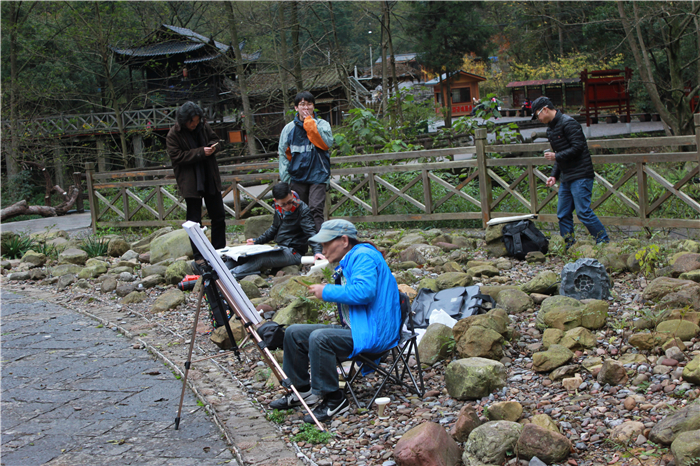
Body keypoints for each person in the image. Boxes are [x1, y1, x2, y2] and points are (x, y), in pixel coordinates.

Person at [269, 219, 401, 424]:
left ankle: (334, 399)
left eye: (326, 244)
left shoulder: (363, 256)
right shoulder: (351, 258)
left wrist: (327, 291)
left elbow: (365, 292)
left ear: (344, 240)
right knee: (294, 332)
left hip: (374, 332)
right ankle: (301, 390)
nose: (322, 249)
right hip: (359, 327)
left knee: (320, 337)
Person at [533, 96, 610, 246]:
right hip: (566, 176)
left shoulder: (569, 123)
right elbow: (559, 156)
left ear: (545, 110)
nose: (538, 119)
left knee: (583, 212)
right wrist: (554, 175)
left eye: (537, 115)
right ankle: (568, 244)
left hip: (581, 174)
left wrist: (556, 156)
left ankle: (603, 241)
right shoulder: (551, 129)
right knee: (563, 213)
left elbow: (578, 147)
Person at [166, 101, 226, 271]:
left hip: (209, 175)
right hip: (191, 181)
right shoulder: (173, 134)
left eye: (197, 121)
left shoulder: (203, 127)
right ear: (184, 120)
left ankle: (220, 250)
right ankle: (199, 256)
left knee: (219, 216)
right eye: (192, 121)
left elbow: (216, 140)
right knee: (194, 221)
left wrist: (214, 147)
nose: (194, 124)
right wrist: (200, 152)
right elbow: (176, 156)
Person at [231, 182, 324, 278]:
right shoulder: (278, 209)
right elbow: (274, 229)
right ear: (276, 201)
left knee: (260, 259)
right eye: (283, 204)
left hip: (294, 251)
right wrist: (256, 241)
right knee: (242, 256)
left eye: (290, 202)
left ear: (292, 195)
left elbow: (311, 232)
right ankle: (221, 271)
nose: (287, 207)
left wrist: (317, 251)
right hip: (280, 248)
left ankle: (230, 275)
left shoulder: (302, 210)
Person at [278, 91, 334, 232]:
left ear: (313, 106)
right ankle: (301, 244)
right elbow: (283, 155)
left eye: (309, 104)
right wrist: (286, 179)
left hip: (318, 174)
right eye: (302, 104)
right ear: (296, 108)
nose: (306, 108)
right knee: (299, 210)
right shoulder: (289, 129)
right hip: (297, 176)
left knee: (316, 209)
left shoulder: (323, 124)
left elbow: (327, 143)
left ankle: (320, 245)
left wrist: (311, 125)